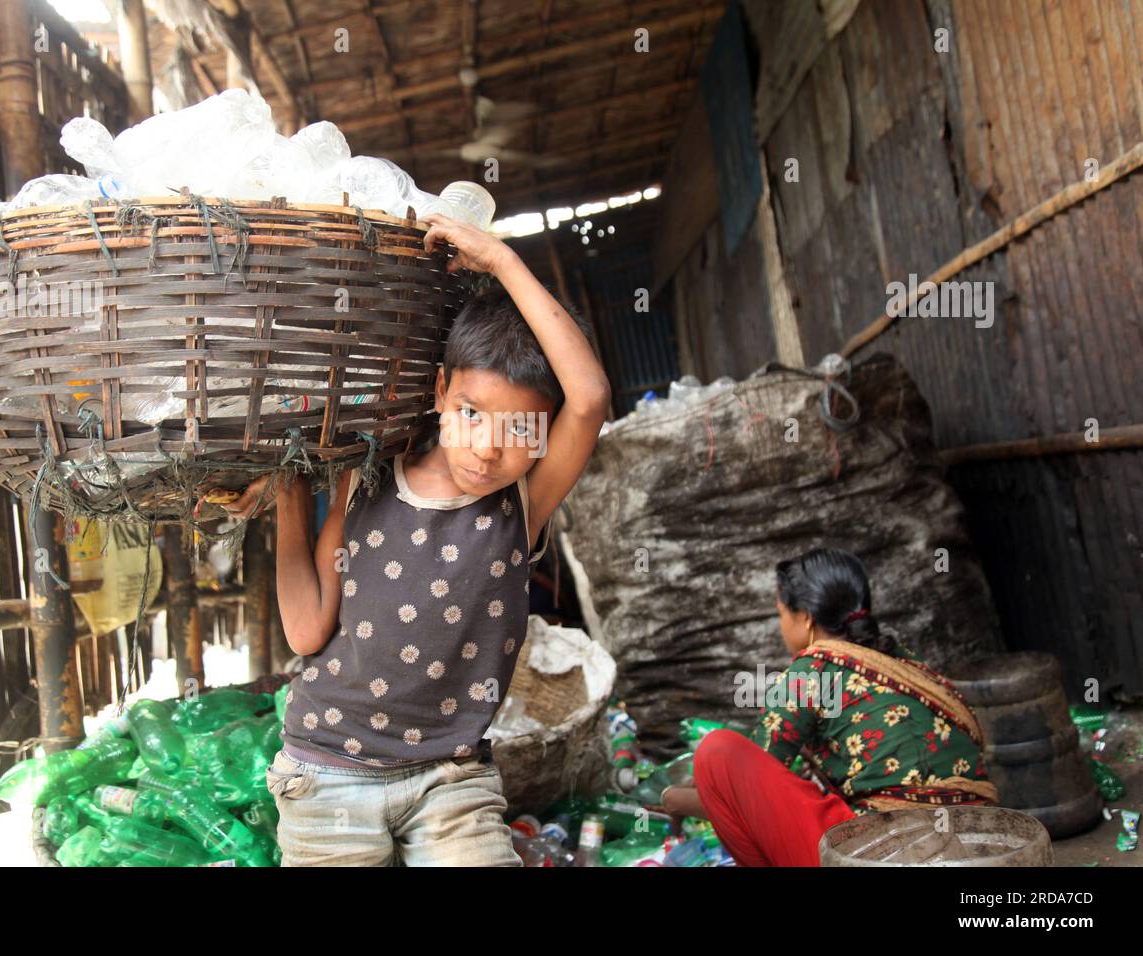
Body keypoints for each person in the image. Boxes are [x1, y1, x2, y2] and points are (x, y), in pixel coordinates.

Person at [222, 213, 611, 865]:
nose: (488, 449)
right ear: (438, 391)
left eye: (520, 431)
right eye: (471, 413)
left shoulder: (521, 505)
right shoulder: (362, 481)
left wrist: (503, 260)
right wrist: (289, 491)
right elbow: (306, 631)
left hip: (451, 781)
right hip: (327, 768)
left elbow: (591, 396)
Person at [656, 547, 997, 866]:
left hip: (890, 851)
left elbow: (748, 790)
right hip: (973, 841)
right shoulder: (901, 660)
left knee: (718, 753)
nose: (781, 627)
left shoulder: (811, 672)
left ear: (804, 618)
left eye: (781, 614)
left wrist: (674, 799)